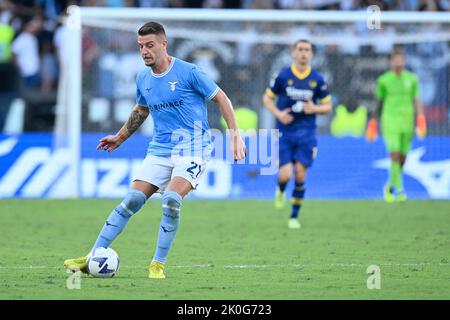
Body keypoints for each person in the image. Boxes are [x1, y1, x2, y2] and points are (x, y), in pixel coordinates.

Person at [64, 21, 247, 279]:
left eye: (149, 45)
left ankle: (157, 264)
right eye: (140, 47)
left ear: (163, 44)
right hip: (160, 149)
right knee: (132, 200)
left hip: (194, 148)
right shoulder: (143, 78)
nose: (144, 51)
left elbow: (222, 98)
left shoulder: (189, 71)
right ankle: (94, 254)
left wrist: (235, 137)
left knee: (171, 200)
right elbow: (141, 110)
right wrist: (120, 137)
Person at [262, 39, 332, 229]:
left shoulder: (317, 79)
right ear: (293, 52)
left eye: (307, 50)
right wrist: (278, 114)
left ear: (311, 54)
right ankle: (281, 189)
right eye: (300, 49)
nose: (303, 53)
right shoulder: (283, 76)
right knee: (285, 175)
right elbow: (267, 99)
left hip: (307, 134)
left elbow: (327, 106)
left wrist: (314, 108)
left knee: (300, 175)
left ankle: (294, 216)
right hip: (286, 132)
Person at [366, 47, 426, 202]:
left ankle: (389, 186)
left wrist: (420, 119)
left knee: (403, 158)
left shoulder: (412, 79)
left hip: (407, 121)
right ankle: (400, 191)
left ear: (404, 61)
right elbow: (378, 102)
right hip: (390, 120)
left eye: (401, 59)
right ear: (391, 62)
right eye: (395, 59)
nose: (398, 62)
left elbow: (417, 99)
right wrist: (373, 123)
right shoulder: (384, 80)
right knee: (394, 154)